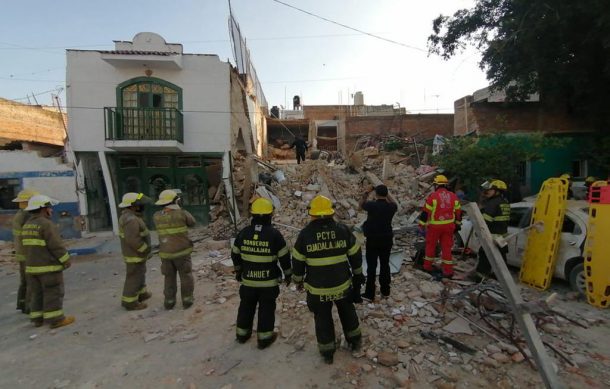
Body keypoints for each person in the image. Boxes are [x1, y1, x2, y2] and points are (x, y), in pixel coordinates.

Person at [292, 195, 364, 364]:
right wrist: (358, 274)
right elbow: (355, 255)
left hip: (318, 290)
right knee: (347, 312)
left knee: (322, 318)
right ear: (331, 213)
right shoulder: (342, 229)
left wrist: (298, 280)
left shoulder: (306, 234)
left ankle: (327, 352)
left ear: (313, 214)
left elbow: (297, 260)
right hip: (342, 286)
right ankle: (355, 341)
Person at [231, 198, 292, 349]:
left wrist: (239, 271)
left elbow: (235, 254)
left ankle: (242, 335)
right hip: (268, 282)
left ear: (253, 215)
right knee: (266, 309)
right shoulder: (274, 234)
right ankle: (264, 339)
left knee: (246, 306)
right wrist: (288, 274)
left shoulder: (244, 233)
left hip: (248, 281)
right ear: (270, 215)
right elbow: (284, 257)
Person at [22, 194, 74, 328]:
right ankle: (56, 319)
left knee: (37, 294)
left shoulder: (27, 225)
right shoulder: (46, 224)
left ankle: (37, 319)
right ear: (42, 209)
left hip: (32, 268)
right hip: (48, 267)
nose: (51, 210)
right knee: (53, 292)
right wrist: (66, 260)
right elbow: (56, 245)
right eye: (49, 207)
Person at [153, 189, 196, 310]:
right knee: (186, 275)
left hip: (165, 254)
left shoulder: (156, 216)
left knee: (169, 277)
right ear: (175, 201)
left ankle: (169, 301)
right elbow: (192, 222)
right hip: (182, 253)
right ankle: (187, 300)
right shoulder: (182, 213)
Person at [418, 175, 462, 279]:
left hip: (435, 227)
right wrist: (457, 224)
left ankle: (427, 267)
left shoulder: (433, 196)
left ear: (436, 185)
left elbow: (425, 213)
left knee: (431, 246)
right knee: (446, 248)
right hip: (449, 226)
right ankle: (448, 271)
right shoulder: (453, 196)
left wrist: (421, 225)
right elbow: (458, 212)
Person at [358, 184, 397, 301]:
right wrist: (387, 194)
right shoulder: (391, 207)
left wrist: (367, 191)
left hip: (373, 240)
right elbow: (393, 202)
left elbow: (360, 205)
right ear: (386, 194)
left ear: (375, 194)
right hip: (387, 239)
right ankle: (385, 291)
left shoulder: (372, 205)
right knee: (385, 265)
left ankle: (370, 294)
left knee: (372, 267)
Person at [118, 192, 153, 311]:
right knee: (134, 277)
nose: (141, 207)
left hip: (136, 254)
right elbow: (133, 240)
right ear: (132, 206)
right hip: (135, 254)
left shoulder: (132, 217)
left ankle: (141, 293)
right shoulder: (131, 220)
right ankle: (130, 302)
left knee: (140, 274)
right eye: (139, 205)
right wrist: (144, 249)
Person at [473, 180, 511, 281]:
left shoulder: (492, 203)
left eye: (490, 190)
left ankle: (479, 277)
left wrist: (479, 231)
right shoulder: (505, 202)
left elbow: (486, 221)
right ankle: (501, 277)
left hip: (492, 235)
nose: (487, 192)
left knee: (485, 255)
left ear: (497, 191)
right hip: (502, 236)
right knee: (501, 257)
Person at [11, 188, 39, 314]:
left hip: (21, 253)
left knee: (24, 281)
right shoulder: (26, 216)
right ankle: (29, 306)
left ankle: (22, 304)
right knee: (30, 281)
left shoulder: (20, 215)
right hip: (27, 253)